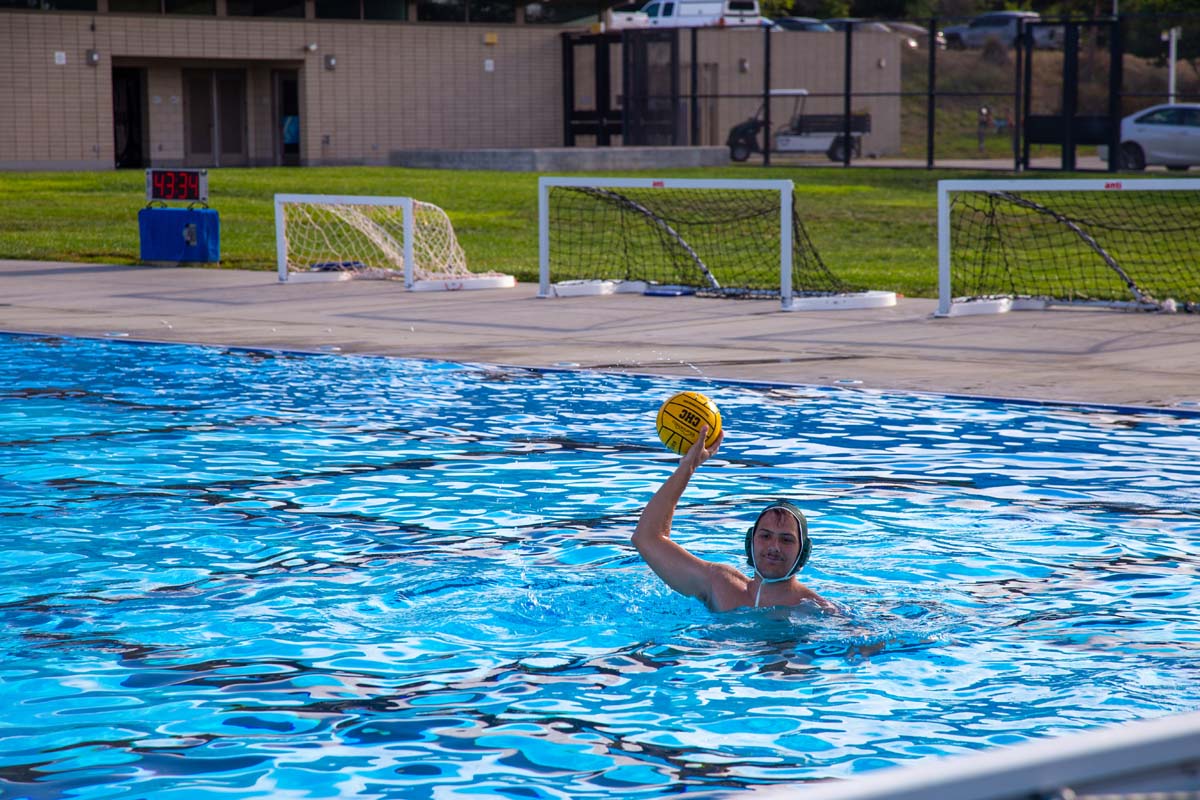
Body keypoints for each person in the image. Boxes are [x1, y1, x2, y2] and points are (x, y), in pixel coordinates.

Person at [633, 424, 832, 612]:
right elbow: (647, 538)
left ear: (803, 552)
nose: (774, 547)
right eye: (765, 536)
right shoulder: (720, 585)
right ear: (750, 542)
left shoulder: (816, 610)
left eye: (786, 539)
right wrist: (688, 467)